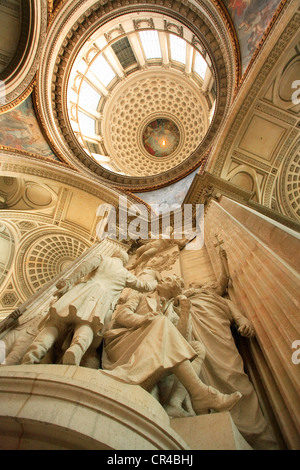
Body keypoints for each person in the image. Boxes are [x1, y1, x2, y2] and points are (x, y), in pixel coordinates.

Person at [101, 272, 242, 416]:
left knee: (197, 348)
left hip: (153, 349)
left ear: (175, 289)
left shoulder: (174, 313)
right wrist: (143, 319)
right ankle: (200, 393)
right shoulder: (142, 295)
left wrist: (185, 312)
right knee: (161, 321)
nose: (163, 279)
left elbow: (181, 343)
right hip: (125, 343)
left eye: (168, 279)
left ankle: (175, 402)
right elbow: (121, 314)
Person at [183, 247, 278, 449]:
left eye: (201, 284)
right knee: (199, 370)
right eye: (192, 284)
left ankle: (257, 435)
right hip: (195, 330)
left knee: (232, 374)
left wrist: (223, 258)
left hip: (219, 332)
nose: (196, 284)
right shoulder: (186, 298)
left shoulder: (218, 297)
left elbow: (224, 283)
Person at [22, 248, 157, 366]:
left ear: (114, 254)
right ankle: (76, 350)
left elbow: (83, 269)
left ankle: (33, 354)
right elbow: (144, 286)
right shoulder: (125, 273)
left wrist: (69, 282)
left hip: (82, 291)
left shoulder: (102, 258)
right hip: (101, 301)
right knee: (87, 327)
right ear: (125, 261)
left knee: (56, 324)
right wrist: (155, 281)